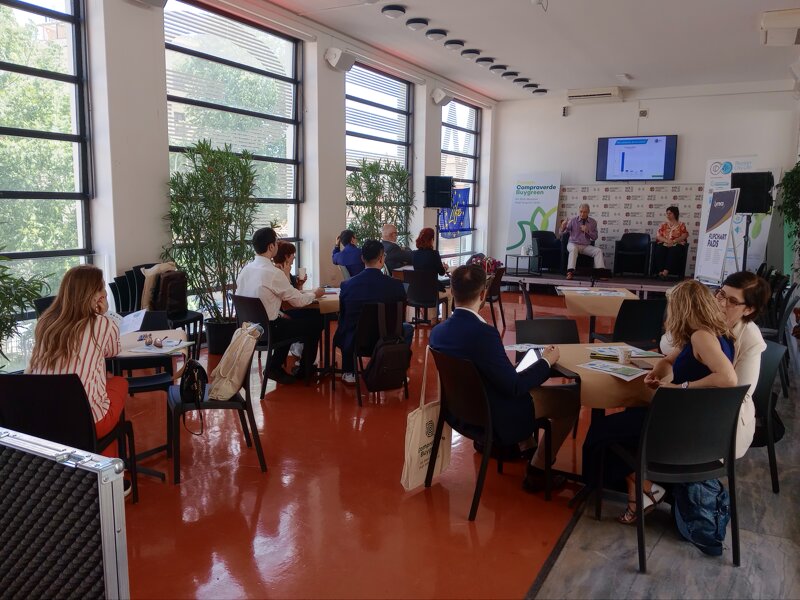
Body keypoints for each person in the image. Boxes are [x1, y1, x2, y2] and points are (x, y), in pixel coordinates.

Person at [589, 280, 738, 525]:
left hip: (678, 428)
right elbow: (668, 360)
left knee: (601, 431)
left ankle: (641, 486)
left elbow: (729, 378)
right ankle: (640, 490)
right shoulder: (712, 334)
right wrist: (657, 373)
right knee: (623, 424)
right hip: (697, 427)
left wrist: (681, 387)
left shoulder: (701, 337)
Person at [429, 265, 579, 493]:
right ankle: (538, 470)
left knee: (517, 376)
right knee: (570, 402)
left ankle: (527, 447)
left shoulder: (438, 332)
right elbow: (514, 387)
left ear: (452, 291)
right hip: (493, 416)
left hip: (458, 413)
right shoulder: (485, 334)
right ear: (483, 294)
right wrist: (546, 362)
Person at [27, 265, 128, 459]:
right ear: (91, 295)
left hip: (42, 420)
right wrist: (104, 313)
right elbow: (113, 351)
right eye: (101, 288)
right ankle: (108, 468)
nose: (105, 293)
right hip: (87, 423)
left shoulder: (45, 322)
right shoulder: (102, 323)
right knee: (119, 382)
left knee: (102, 380)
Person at [236, 227, 325, 385]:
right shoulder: (273, 273)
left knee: (288, 322)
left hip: (249, 329)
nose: (277, 245)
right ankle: (303, 370)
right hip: (270, 330)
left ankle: (275, 366)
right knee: (316, 322)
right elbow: (298, 301)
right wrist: (315, 294)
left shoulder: (246, 270)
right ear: (271, 246)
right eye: (276, 242)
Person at [334, 239, 414, 384]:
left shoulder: (347, 285)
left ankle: (349, 372)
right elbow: (400, 314)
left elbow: (344, 315)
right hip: (388, 339)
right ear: (382, 258)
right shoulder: (396, 285)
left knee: (346, 324)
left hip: (357, 341)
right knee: (407, 328)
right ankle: (395, 371)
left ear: (362, 258)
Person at [559, 203, 605, 280]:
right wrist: (562, 227)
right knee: (574, 249)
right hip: (573, 243)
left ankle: (601, 273)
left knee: (598, 251)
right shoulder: (573, 220)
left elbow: (595, 237)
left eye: (585, 212)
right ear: (579, 211)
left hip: (585, 246)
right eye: (581, 211)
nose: (582, 214)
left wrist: (587, 231)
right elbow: (561, 234)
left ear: (588, 212)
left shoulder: (593, 222)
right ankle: (570, 272)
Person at [652, 205, 689, 279]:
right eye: (667, 213)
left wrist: (674, 241)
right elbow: (658, 236)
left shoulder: (681, 225)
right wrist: (667, 241)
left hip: (677, 244)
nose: (668, 215)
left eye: (670, 213)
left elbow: (684, 235)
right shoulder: (663, 225)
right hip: (665, 243)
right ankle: (660, 271)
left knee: (674, 250)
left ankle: (665, 272)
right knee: (659, 249)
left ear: (675, 214)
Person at [412, 227, 449, 293]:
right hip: (432, 290)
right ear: (431, 240)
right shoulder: (434, 254)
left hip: (417, 290)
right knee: (449, 292)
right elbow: (441, 273)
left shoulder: (414, 254)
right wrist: (445, 267)